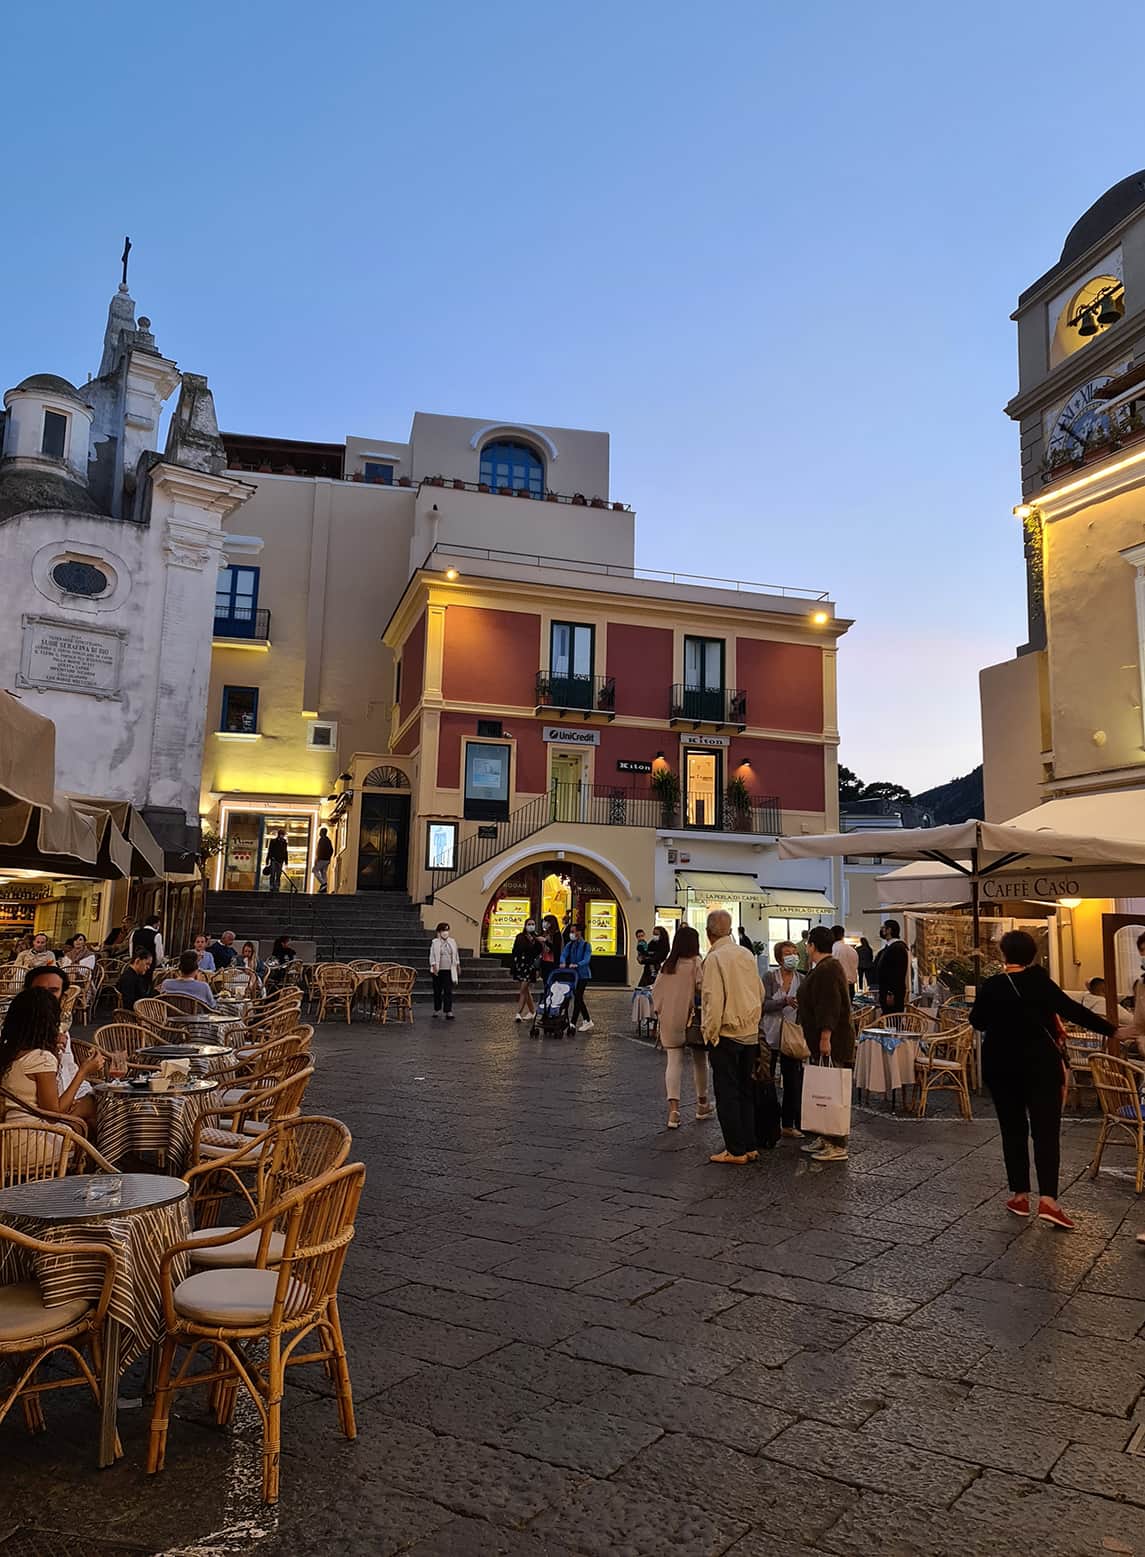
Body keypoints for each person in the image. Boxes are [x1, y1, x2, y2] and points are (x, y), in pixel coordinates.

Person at [970, 929, 1113, 1231]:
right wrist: (1113, 1031)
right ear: (1033, 955)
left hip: (1001, 1066)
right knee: (1046, 1131)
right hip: (1041, 1066)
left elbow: (977, 1021)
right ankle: (1049, 1200)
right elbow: (1072, 1010)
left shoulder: (994, 985)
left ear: (1003, 955)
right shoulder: (1039, 982)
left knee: (1013, 1130)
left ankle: (1020, 1195)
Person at [701, 909, 764, 1165]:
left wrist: (710, 1034)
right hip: (749, 1033)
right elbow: (759, 992)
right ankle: (749, 1145)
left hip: (727, 1033)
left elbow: (712, 1000)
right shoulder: (746, 954)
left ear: (709, 933)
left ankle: (735, 1149)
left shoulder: (714, 959)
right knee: (745, 1091)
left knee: (727, 1093)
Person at [0, 987, 103, 1127]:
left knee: (87, 1109)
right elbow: (53, 1115)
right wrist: (83, 1071)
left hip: (11, 1131)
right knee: (92, 1110)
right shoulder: (41, 1058)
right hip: (35, 1138)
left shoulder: (9, 1052)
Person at [796, 925, 856, 1164]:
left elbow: (829, 1006)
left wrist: (825, 1037)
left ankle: (837, 1142)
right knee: (824, 1089)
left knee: (832, 1091)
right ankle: (825, 1135)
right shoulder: (826, 967)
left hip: (833, 1040)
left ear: (812, 946)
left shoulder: (827, 969)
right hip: (825, 1038)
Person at [652, 924, 712, 1129]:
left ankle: (673, 1111)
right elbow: (705, 989)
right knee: (700, 1061)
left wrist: (661, 1011)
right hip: (693, 1020)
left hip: (670, 1018)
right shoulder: (696, 963)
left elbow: (656, 993)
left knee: (673, 1062)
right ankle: (702, 1104)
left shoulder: (667, 965)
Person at [24, 965, 96, 1124]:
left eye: (53, 991)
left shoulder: (60, 1031)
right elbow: (51, 1113)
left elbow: (69, 1071)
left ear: (62, 997)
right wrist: (85, 1071)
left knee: (101, 1107)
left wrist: (85, 1095)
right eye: (40, 990)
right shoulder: (20, 1036)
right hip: (38, 1119)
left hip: (61, 1105)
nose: (46, 997)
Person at [763, 940, 805, 1139]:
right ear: (779, 957)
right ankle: (769, 1122)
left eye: (794, 952)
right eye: (788, 953)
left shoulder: (801, 979)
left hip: (792, 1036)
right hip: (770, 1033)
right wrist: (783, 1001)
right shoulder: (770, 977)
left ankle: (789, 1123)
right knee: (767, 1079)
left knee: (793, 1080)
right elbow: (762, 1004)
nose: (792, 956)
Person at [560, 924, 594, 1034]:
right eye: (571, 931)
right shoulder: (570, 945)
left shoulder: (586, 945)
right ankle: (587, 1020)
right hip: (573, 975)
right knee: (578, 997)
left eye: (573, 931)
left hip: (583, 975)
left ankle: (573, 1022)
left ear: (579, 932)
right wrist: (563, 961)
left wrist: (577, 964)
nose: (571, 934)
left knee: (578, 997)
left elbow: (587, 959)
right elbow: (564, 954)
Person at [872, 919, 909, 1013]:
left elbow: (897, 972)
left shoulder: (897, 948)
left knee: (893, 1020)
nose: (882, 930)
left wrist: (890, 993)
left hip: (893, 992)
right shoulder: (889, 947)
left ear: (889, 930)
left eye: (883, 928)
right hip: (886, 990)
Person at [511, 919, 541, 1022]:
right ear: (525, 925)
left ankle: (518, 1012)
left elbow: (538, 953)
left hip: (531, 967)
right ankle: (533, 1011)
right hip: (521, 966)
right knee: (526, 990)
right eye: (529, 924)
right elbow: (515, 950)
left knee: (523, 989)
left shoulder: (537, 938)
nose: (531, 926)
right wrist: (515, 964)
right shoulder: (520, 937)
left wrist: (537, 968)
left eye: (533, 924)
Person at [429, 923, 459, 1019]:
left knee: (448, 991)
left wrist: (458, 965)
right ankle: (437, 1009)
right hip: (438, 969)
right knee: (437, 990)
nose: (445, 932)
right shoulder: (435, 942)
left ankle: (448, 1011)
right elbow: (432, 955)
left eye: (447, 930)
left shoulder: (452, 942)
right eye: (443, 930)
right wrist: (434, 966)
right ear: (439, 932)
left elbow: (456, 954)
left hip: (449, 969)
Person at [831, 926, 859, 996]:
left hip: (837, 986)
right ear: (842, 935)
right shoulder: (852, 950)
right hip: (851, 986)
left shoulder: (832, 949)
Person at [313, 826, 334, 893]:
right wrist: (329, 857)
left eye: (320, 832)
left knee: (314, 870)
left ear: (322, 833)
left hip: (321, 859)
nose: (319, 833)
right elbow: (331, 850)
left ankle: (323, 883)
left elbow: (319, 850)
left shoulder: (321, 840)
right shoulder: (328, 840)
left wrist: (317, 859)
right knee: (323, 872)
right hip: (327, 860)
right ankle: (324, 888)